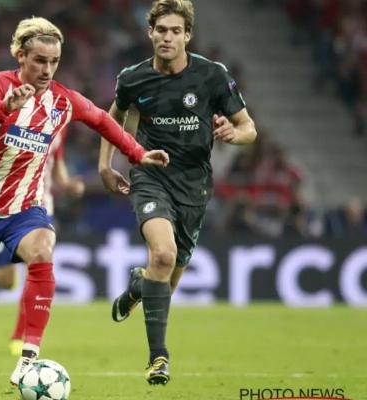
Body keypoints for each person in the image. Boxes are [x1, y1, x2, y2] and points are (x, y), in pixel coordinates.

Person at [0, 16, 169, 386]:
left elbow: (102, 119)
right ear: (21, 56)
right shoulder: (0, 84)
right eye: (39, 61)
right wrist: (4, 107)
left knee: (43, 250)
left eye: (54, 62)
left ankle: (28, 358)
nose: (47, 70)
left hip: (27, 208)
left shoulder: (62, 100)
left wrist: (137, 153)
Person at [97, 0, 257, 386]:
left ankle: (139, 286)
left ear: (188, 36)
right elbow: (113, 116)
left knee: (165, 281)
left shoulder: (212, 75)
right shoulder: (133, 78)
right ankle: (159, 358)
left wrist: (234, 135)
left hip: (195, 186)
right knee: (164, 254)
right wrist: (106, 165)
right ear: (150, 33)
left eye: (175, 31)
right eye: (161, 30)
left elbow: (249, 128)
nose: (167, 37)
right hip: (150, 176)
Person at [0, 131, 84, 357]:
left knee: (35, 268)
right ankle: (14, 270)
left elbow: (57, 163)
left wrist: (67, 184)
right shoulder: (11, 120)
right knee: (4, 280)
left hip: (41, 208)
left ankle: (19, 335)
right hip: (7, 206)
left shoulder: (59, 125)